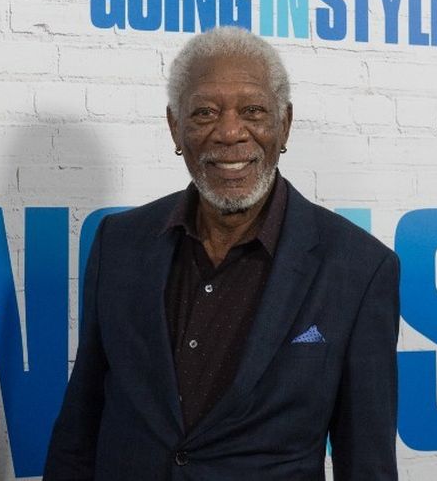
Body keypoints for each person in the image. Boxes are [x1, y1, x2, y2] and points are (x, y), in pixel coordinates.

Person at [43, 26, 400, 480]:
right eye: (205, 112)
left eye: (253, 111)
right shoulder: (119, 243)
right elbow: (80, 428)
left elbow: (367, 464)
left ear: (284, 124)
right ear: (175, 127)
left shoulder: (359, 270)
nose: (230, 133)